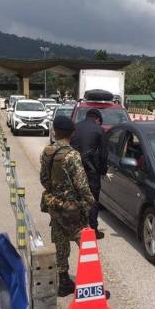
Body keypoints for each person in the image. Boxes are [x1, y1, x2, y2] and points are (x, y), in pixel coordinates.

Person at [40, 115, 96, 296]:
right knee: (85, 241)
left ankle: (63, 280)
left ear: (55, 131)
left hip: (54, 205)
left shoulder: (47, 151)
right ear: (72, 133)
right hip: (72, 209)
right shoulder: (72, 155)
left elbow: (43, 179)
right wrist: (90, 201)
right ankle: (92, 282)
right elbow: (81, 184)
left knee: (60, 241)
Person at [70, 108, 108, 239]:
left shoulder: (75, 127)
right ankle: (92, 229)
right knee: (92, 200)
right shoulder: (99, 130)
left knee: (76, 197)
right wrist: (103, 171)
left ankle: (75, 228)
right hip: (91, 171)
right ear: (97, 119)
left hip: (75, 169)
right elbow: (104, 155)